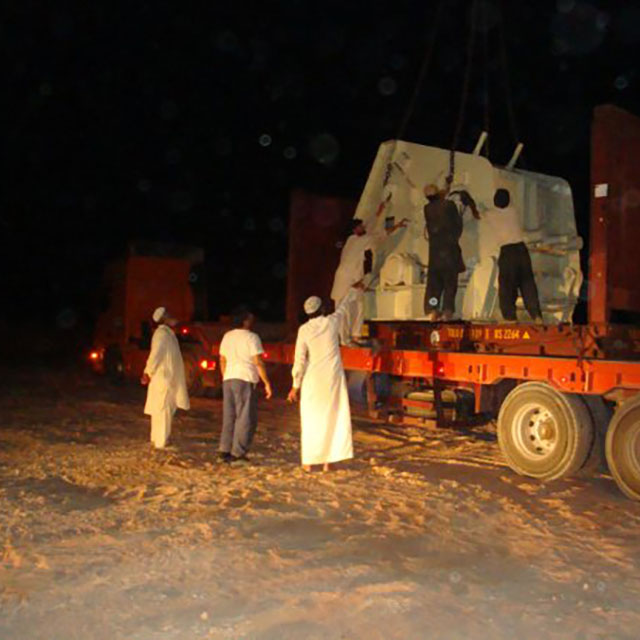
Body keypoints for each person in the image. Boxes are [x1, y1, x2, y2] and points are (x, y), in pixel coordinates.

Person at [287, 288, 358, 472]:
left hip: (312, 379)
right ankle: (328, 461)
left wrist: (295, 386)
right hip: (332, 378)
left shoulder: (304, 330)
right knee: (333, 417)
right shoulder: (331, 322)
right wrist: (353, 291)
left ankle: (309, 462)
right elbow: (343, 308)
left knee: (311, 420)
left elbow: (299, 359)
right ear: (322, 309)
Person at [331, 195, 407, 343]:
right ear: (354, 230)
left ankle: (356, 335)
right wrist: (397, 226)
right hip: (346, 281)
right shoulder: (358, 241)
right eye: (360, 226)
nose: (363, 227)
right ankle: (345, 340)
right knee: (344, 312)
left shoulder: (354, 239)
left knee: (359, 307)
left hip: (354, 279)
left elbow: (369, 225)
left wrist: (380, 210)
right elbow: (380, 235)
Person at [218, 308, 272, 464]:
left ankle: (224, 450)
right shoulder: (251, 337)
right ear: (245, 321)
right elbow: (258, 362)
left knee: (229, 416)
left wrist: (225, 377)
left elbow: (222, 359)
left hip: (229, 378)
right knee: (245, 417)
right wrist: (266, 382)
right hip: (245, 378)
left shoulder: (227, 336)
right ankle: (238, 454)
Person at [483, 188, 543, 323]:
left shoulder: (491, 214)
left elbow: (479, 214)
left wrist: (470, 202)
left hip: (508, 252)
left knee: (507, 285)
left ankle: (510, 317)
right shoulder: (513, 211)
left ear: (495, 201)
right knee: (527, 284)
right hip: (522, 251)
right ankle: (536, 316)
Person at [422, 184, 478, 321]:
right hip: (449, 254)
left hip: (434, 255)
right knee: (449, 284)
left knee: (434, 287)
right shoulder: (449, 205)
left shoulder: (427, 209)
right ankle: (447, 311)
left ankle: (433, 310)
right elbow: (457, 226)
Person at [141, 306, 190, 449]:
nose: (172, 317)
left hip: (167, 378)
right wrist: (148, 372)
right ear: (163, 319)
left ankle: (157, 440)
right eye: (168, 315)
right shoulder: (161, 334)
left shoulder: (167, 334)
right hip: (164, 379)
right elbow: (156, 355)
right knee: (163, 410)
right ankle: (161, 442)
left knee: (162, 409)